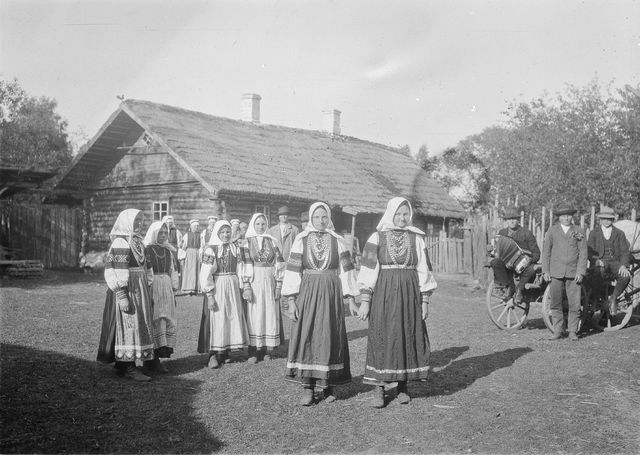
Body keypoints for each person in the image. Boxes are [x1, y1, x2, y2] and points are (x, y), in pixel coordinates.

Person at [357, 197, 437, 407]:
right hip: (384, 292)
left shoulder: (417, 238)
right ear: (391, 214)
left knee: (405, 334)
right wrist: (365, 299)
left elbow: (424, 270)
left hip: (410, 292)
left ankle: (403, 386)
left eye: (405, 214)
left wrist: (425, 301)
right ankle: (379, 389)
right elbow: (368, 269)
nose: (402, 218)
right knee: (382, 334)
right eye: (399, 214)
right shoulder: (377, 237)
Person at [282, 202, 358, 406]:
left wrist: (351, 298)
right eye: (316, 217)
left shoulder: (338, 241)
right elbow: (292, 271)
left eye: (324, 217)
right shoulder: (301, 240)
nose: (320, 221)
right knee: (307, 333)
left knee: (329, 334)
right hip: (308, 292)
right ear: (310, 219)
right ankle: (308, 387)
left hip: (331, 292)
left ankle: (328, 386)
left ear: (329, 218)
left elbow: (347, 271)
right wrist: (291, 300)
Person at [97, 209, 154, 381]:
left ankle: (123, 365)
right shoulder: (121, 243)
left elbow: (147, 267)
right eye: (136, 221)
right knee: (129, 324)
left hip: (140, 288)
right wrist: (122, 294)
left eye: (141, 221)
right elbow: (114, 271)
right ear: (127, 222)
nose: (139, 224)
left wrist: (148, 286)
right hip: (128, 288)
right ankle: (129, 367)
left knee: (138, 323)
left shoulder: (138, 241)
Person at [197, 220, 249, 368]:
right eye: (222, 232)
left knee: (230, 316)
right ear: (217, 233)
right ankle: (213, 354)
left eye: (228, 232)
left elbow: (241, 268)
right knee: (217, 318)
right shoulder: (211, 249)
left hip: (232, 285)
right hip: (218, 286)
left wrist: (244, 286)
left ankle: (225, 351)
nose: (226, 235)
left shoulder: (236, 248)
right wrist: (209, 294)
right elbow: (205, 273)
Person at [541, 203, 588, 341]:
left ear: (572, 217)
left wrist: (581, 271)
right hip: (555, 272)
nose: (566, 218)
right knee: (555, 303)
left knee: (574, 303)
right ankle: (558, 330)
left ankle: (573, 331)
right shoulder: (552, 231)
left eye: (569, 215)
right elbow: (546, 252)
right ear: (559, 217)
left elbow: (583, 253)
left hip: (573, 273)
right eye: (563, 216)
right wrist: (545, 270)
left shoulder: (579, 231)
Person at [243, 213, 286, 363]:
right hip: (254, 282)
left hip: (270, 282)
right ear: (253, 225)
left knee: (269, 313)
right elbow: (244, 265)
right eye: (258, 224)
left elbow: (279, 264)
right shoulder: (246, 243)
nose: (260, 227)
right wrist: (246, 285)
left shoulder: (272, 242)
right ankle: (254, 350)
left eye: (263, 224)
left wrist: (278, 285)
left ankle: (267, 349)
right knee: (255, 314)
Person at [143, 221, 179, 373]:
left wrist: (173, 290)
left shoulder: (169, 251)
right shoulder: (147, 250)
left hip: (166, 286)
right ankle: (151, 359)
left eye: (165, 233)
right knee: (155, 318)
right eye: (160, 233)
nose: (163, 235)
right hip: (154, 285)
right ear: (154, 233)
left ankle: (159, 353)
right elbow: (146, 271)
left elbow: (173, 271)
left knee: (166, 318)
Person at [490, 206, 540, 303]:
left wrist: (529, 260)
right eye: (509, 219)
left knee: (532, 269)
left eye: (514, 219)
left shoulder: (527, 233)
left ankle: (519, 290)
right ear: (506, 221)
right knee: (495, 262)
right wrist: (491, 249)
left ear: (518, 220)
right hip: (506, 264)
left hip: (523, 265)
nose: (512, 221)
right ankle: (507, 286)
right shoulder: (502, 232)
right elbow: (497, 249)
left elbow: (536, 253)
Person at [587, 206, 631, 315]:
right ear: (600, 220)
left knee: (626, 276)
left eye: (609, 219)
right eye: (604, 218)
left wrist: (624, 266)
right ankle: (596, 299)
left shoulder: (619, 233)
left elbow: (625, 251)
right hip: (600, 262)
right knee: (598, 271)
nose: (606, 221)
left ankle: (613, 299)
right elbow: (589, 251)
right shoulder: (594, 233)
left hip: (615, 263)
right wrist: (596, 260)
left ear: (613, 220)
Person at [180, 219, 201, 295]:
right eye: (195, 226)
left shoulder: (200, 235)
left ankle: (196, 289)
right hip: (189, 254)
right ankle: (188, 290)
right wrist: (182, 257)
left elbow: (201, 246)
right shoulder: (186, 235)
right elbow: (182, 247)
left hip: (197, 253)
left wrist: (200, 254)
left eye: (197, 226)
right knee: (189, 271)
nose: (196, 228)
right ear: (191, 227)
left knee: (196, 271)